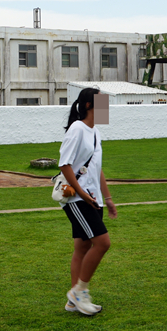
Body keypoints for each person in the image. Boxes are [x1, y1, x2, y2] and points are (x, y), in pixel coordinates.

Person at [58, 87, 117, 316]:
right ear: (89, 105)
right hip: (77, 198)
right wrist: (82, 194)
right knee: (103, 243)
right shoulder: (77, 129)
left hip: (93, 198)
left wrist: (108, 198)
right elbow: (64, 164)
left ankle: (74, 301)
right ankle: (79, 291)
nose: (108, 108)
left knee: (82, 247)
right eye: (103, 103)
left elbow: (96, 168)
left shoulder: (95, 132)